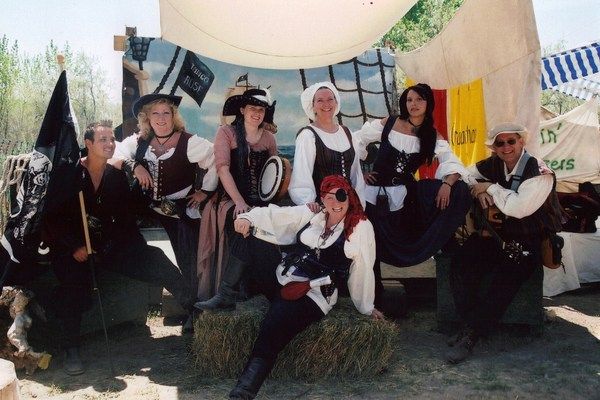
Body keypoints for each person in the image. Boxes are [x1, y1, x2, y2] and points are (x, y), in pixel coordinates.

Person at [42, 121, 194, 375]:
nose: (110, 144)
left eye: (112, 139)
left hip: (107, 247)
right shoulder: (69, 175)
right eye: (103, 140)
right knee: (73, 284)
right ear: (88, 143)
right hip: (73, 251)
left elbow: (125, 217)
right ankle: (71, 349)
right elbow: (51, 219)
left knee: (155, 257)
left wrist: (133, 244)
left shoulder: (115, 177)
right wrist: (74, 246)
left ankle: (194, 310)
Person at [227, 175, 383, 399]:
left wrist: (366, 307)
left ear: (349, 197)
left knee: (272, 326)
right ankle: (226, 293)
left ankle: (242, 392)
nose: (335, 202)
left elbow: (363, 268)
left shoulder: (359, 226)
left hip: (312, 293)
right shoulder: (314, 214)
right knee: (248, 233)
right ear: (322, 198)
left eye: (341, 195)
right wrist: (248, 218)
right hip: (282, 277)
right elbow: (276, 215)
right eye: (329, 196)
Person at [446, 122, 562, 364]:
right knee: (460, 262)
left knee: (506, 279)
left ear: (522, 142)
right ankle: (469, 323)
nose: (506, 147)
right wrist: (478, 190)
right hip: (497, 237)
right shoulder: (493, 163)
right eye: (500, 143)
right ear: (494, 147)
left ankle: (471, 335)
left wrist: (490, 187)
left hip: (529, 241)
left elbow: (517, 208)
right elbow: (466, 174)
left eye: (511, 141)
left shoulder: (539, 172)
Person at [354, 83, 471, 306]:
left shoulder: (431, 135)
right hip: (374, 195)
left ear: (428, 104)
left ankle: (446, 256)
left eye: (419, 99)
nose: (413, 104)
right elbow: (357, 140)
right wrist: (360, 174)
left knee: (459, 190)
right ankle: (372, 299)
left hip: (404, 196)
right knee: (370, 245)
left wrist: (447, 183)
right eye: (409, 100)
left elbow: (452, 162)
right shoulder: (389, 123)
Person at [114, 93, 218, 297]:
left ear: (173, 116)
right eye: (155, 113)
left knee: (187, 253)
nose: (161, 118)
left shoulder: (189, 142)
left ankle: (194, 299)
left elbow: (214, 158)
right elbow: (116, 151)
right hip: (145, 204)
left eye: (166, 113)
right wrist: (134, 165)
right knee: (124, 234)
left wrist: (205, 191)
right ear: (147, 117)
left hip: (176, 207)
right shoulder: (140, 141)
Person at [195, 88, 279, 309]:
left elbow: (274, 173)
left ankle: (241, 291)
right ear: (242, 110)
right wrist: (240, 202)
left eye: (261, 110)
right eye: (252, 108)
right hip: (231, 199)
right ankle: (236, 290)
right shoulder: (226, 132)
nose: (257, 113)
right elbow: (223, 169)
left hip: (260, 202)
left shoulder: (269, 138)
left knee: (262, 224)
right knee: (245, 220)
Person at [288, 82, 366, 207]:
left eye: (330, 99)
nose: (326, 104)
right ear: (313, 106)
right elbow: (301, 177)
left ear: (336, 103)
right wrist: (307, 202)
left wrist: (359, 204)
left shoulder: (347, 132)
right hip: (323, 207)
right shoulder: (308, 136)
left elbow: (355, 173)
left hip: (350, 205)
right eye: (320, 100)